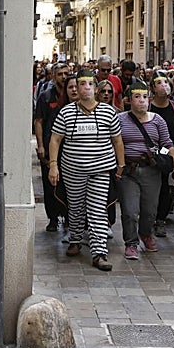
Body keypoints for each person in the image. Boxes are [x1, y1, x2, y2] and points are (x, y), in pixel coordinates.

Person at [48, 69, 124, 271]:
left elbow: (117, 140)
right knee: (75, 207)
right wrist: (53, 165)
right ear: (77, 88)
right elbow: (55, 139)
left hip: (101, 169)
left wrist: (121, 165)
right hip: (73, 169)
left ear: (96, 87)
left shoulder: (108, 112)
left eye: (90, 84)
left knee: (98, 210)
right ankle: (75, 239)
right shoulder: (66, 112)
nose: (86, 88)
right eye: (81, 84)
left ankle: (99, 253)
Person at [117, 82, 174, 260]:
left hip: (151, 170)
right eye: (137, 97)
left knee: (150, 210)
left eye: (145, 97)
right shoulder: (120, 119)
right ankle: (131, 243)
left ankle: (146, 234)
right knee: (130, 210)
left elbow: (167, 143)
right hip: (129, 171)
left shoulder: (157, 120)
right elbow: (115, 143)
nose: (141, 101)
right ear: (129, 100)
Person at [34, 63, 72, 233]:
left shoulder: (73, 97)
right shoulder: (45, 96)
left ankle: (68, 218)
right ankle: (53, 218)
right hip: (50, 147)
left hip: (69, 149)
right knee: (50, 185)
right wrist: (40, 145)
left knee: (68, 185)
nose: (63, 77)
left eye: (66, 74)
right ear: (54, 76)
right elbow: (39, 122)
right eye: (60, 74)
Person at [149, 74, 174, 236]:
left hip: (168, 154)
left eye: (166, 82)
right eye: (159, 83)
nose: (163, 86)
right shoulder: (147, 107)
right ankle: (148, 217)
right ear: (153, 88)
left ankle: (160, 219)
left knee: (164, 187)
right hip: (149, 154)